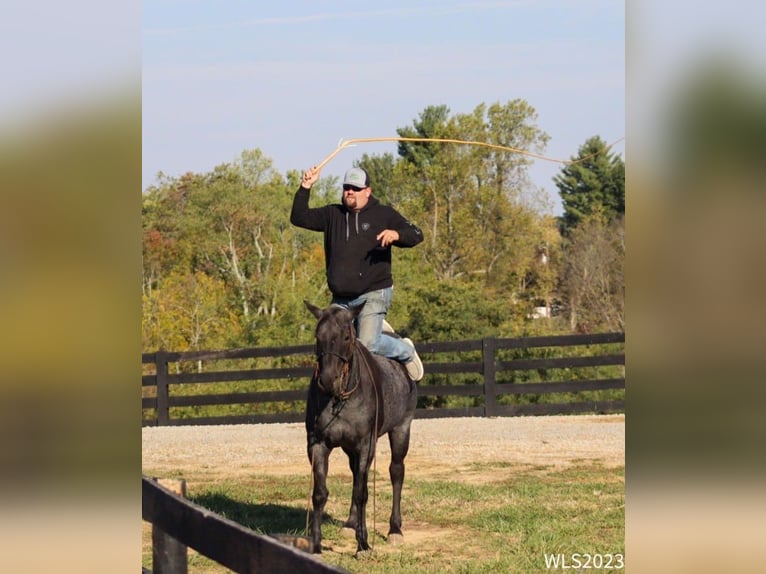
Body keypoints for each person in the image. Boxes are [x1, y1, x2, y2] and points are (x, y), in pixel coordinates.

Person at [290, 165, 425, 381]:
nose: (350, 192)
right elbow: (299, 217)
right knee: (329, 342)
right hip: (341, 299)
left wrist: (397, 234)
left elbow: (417, 234)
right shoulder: (332, 214)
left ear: (367, 191)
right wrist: (306, 186)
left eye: (355, 188)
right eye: (346, 188)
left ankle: (404, 349)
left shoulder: (384, 214)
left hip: (373, 293)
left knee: (367, 344)